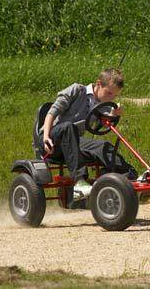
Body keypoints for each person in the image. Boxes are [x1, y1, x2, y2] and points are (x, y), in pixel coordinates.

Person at [42, 68, 138, 200]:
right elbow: (51, 113)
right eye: (109, 93)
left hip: (74, 142)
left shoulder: (103, 105)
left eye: (115, 96)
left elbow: (103, 125)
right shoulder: (76, 90)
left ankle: (130, 178)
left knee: (103, 145)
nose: (111, 98)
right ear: (98, 84)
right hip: (53, 140)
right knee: (69, 127)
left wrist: (113, 115)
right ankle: (79, 182)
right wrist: (46, 137)